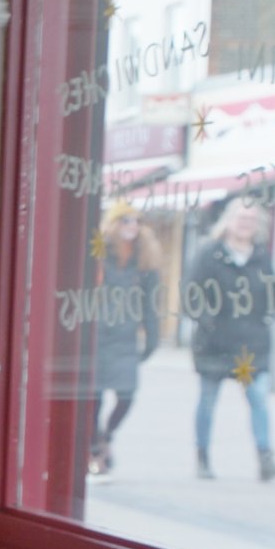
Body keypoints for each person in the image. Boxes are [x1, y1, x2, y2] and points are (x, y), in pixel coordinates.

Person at [185, 198, 275, 481]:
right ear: (228, 221)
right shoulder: (210, 254)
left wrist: (266, 317)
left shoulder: (261, 256)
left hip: (251, 346)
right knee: (208, 401)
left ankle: (265, 458)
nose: (246, 225)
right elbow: (191, 294)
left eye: (251, 220)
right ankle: (202, 457)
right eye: (241, 218)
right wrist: (207, 322)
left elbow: (272, 294)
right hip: (215, 343)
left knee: (258, 398)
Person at [87, 202, 158, 479]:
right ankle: (94, 450)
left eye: (136, 221)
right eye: (126, 220)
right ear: (114, 223)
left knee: (126, 395)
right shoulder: (98, 253)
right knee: (94, 397)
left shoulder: (145, 260)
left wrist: (152, 338)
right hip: (97, 336)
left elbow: (151, 302)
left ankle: (106, 436)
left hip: (126, 338)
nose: (132, 226)